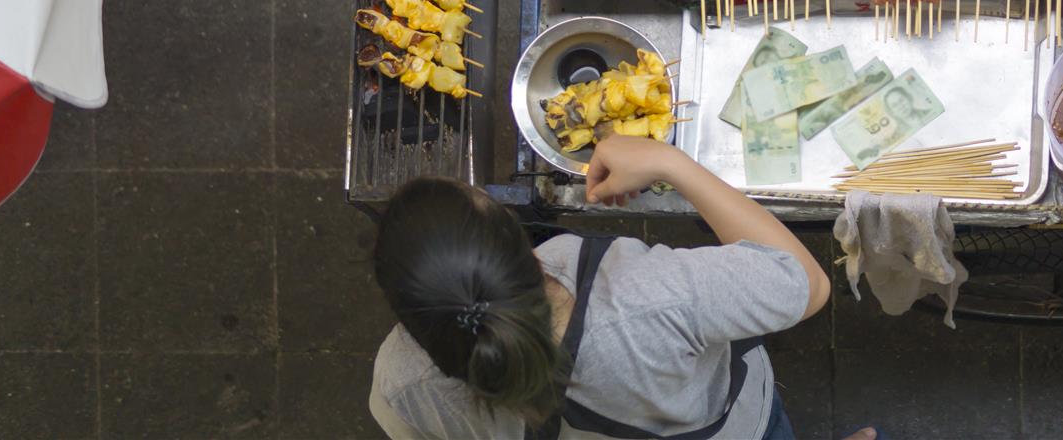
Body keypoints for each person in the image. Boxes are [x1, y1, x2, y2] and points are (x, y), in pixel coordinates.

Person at [368, 135, 866, 439]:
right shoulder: (652, 298)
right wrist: (671, 162)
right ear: (520, 246)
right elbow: (804, 283)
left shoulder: (399, 382)